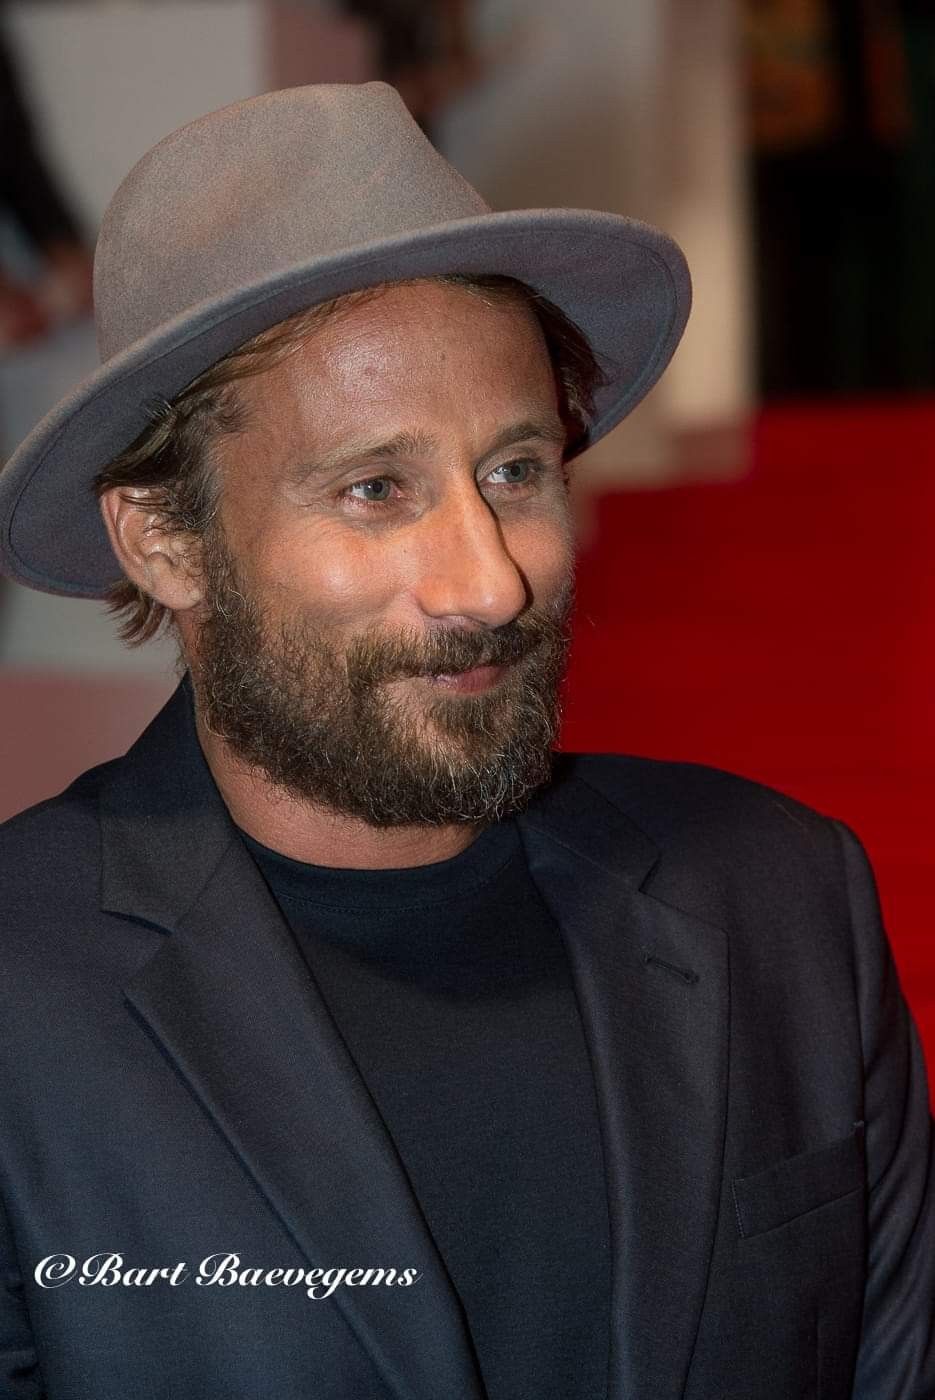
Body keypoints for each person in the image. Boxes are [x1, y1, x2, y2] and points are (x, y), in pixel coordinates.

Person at [0, 83, 931, 1400]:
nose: (491, 582)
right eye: (376, 489)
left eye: (515, 472)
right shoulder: (22, 993)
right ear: (165, 541)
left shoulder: (781, 895)